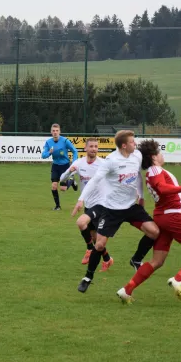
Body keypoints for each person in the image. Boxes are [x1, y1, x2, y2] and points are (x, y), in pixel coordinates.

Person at [116, 139, 181, 303]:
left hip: (164, 217)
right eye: (160, 151)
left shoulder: (154, 170)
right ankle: (179, 279)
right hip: (173, 216)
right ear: (154, 156)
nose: (162, 154)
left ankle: (127, 290)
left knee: (157, 261)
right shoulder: (154, 170)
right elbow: (162, 188)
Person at [71, 130, 160, 293]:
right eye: (133, 142)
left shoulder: (137, 156)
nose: (136, 144)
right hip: (111, 209)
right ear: (124, 145)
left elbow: (138, 176)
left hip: (131, 207)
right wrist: (80, 200)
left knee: (154, 232)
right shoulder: (111, 161)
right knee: (99, 245)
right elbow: (94, 181)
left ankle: (136, 259)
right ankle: (88, 277)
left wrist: (140, 195)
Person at [59, 138, 113, 269]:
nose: (94, 149)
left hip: (101, 203)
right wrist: (69, 171)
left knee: (81, 223)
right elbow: (62, 179)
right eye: (91, 146)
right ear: (85, 148)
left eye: (96, 146)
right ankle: (107, 259)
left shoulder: (103, 164)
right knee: (95, 239)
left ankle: (89, 250)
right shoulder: (79, 163)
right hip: (88, 203)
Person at [41, 123, 79, 210]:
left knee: (63, 188)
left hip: (65, 166)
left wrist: (73, 163)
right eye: (53, 131)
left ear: (59, 131)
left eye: (57, 131)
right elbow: (43, 155)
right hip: (55, 166)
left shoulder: (65, 141)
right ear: (51, 132)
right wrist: (49, 152)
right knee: (54, 186)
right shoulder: (48, 142)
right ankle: (57, 206)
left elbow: (75, 151)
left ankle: (72, 181)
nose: (55, 132)